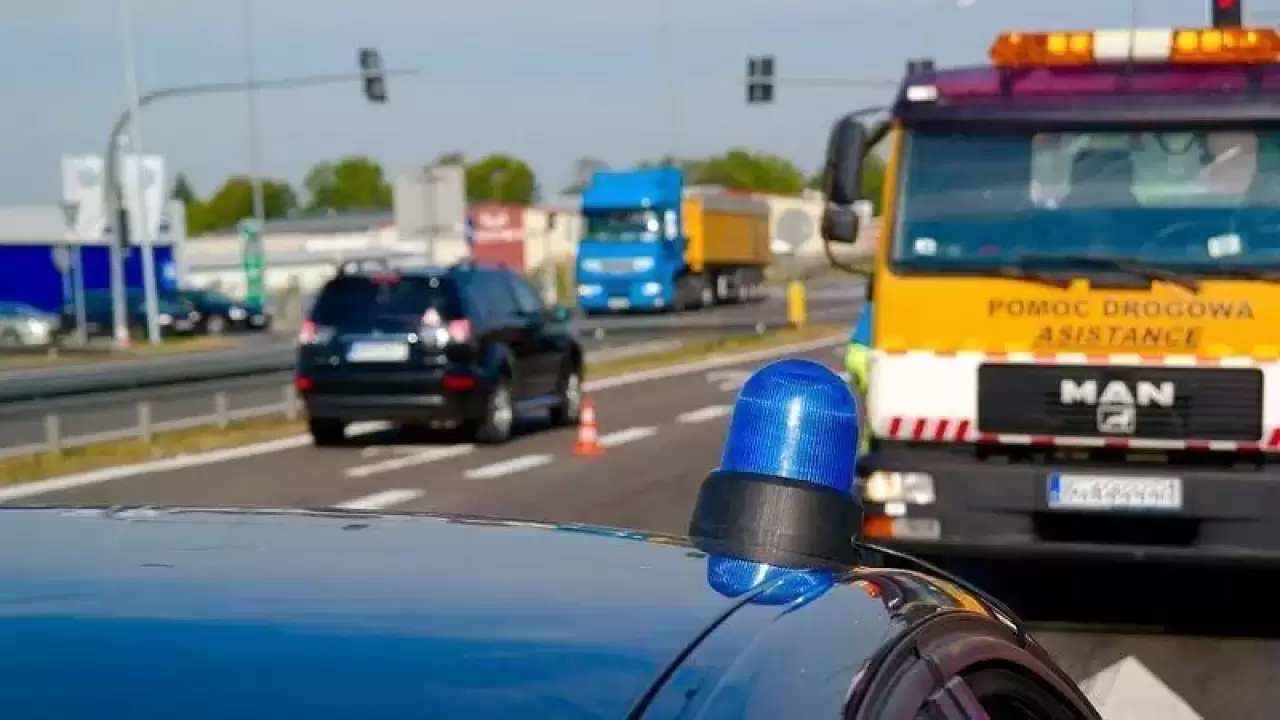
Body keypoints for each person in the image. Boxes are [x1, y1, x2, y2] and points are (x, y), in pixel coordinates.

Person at [845, 298, 873, 455]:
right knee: (874, 404)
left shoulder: (877, 302)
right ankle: (867, 450)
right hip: (864, 354)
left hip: (855, 352)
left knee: (871, 403)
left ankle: (866, 449)